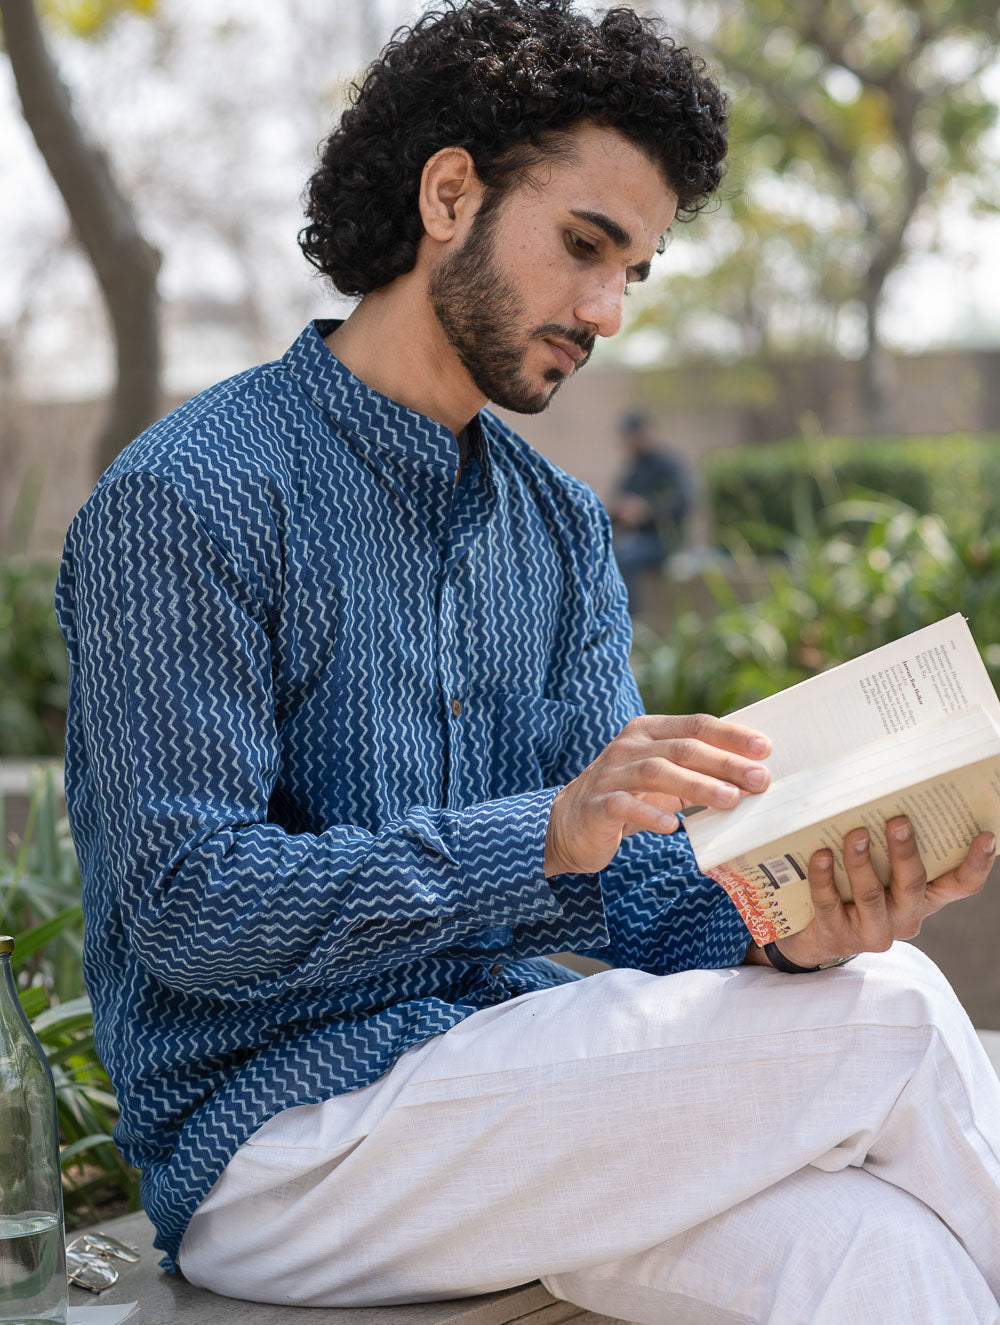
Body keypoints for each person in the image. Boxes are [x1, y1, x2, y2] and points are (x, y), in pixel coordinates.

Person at [55, 2, 1000, 1321]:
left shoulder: (556, 530)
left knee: (867, 1253)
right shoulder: (194, 497)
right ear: (450, 193)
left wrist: (793, 930)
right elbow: (188, 909)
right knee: (892, 1019)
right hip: (277, 1137)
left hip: (509, 1085)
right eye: (584, 246)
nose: (606, 308)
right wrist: (543, 830)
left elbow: (640, 904)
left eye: (634, 272)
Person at [610, 411, 692, 613]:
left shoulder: (668, 465)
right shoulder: (634, 468)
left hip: (664, 539)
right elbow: (619, 504)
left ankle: (629, 620)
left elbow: (683, 502)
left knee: (625, 556)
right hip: (635, 537)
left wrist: (646, 510)